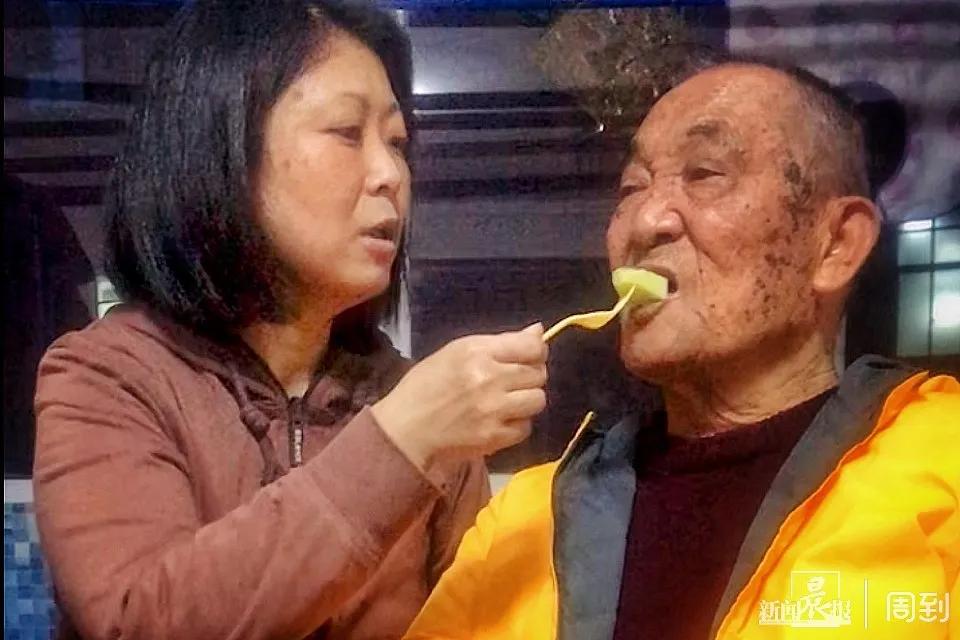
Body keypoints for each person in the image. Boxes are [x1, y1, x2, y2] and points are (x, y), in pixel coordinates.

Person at [32, 2, 549, 639]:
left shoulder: (409, 397)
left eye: (396, 143)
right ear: (220, 146)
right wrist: (401, 442)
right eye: (347, 132)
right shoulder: (107, 375)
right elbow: (138, 623)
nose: (390, 174)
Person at [405, 61, 959, 640]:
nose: (644, 222)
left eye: (705, 173)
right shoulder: (524, 519)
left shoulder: (945, 462)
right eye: (632, 188)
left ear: (836, 245)